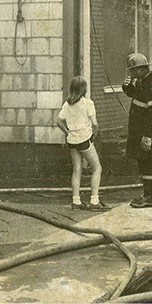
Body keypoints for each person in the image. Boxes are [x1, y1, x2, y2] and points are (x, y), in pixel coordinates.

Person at [56, 76, 110, 211]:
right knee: (97, 168)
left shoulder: (67, 104)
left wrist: (68, 132)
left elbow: (59, 121)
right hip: (85, 139)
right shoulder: (88, 103)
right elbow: (95, 124)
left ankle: (76, 201)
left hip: (72, 140)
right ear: (84, 89)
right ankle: (94, 201)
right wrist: (93, 136)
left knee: (76, 170)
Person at [121, 52, 152, 208]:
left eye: (133, 71)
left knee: (149, 164)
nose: (132, 73)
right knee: (144, 163)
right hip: (140, 132)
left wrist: (148, 136)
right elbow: (136, 96)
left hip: (147, 133)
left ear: (140, 69)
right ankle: (147, 194)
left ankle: (150, 197)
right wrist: (127, 88)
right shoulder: (144, 82)